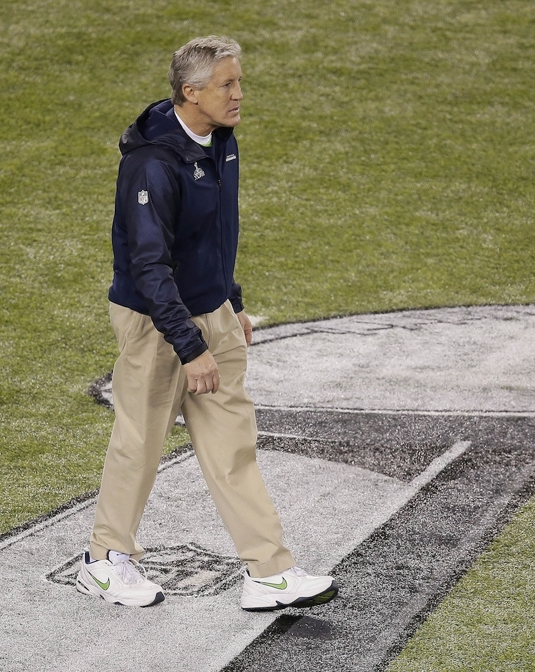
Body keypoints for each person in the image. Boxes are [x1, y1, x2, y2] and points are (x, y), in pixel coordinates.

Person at [75, 35, 337, 611]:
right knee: (140, 444)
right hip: (156, 321)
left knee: (232, 444)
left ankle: (268, 573)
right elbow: (148, 266)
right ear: (191, 93)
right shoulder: (152, 165)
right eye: (227, 84)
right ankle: (103, 560)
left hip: (210, 312)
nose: (239, 94)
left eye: (238, 81)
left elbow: (213, 234)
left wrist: (231, 300)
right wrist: (191, 347)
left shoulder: (220, 140)